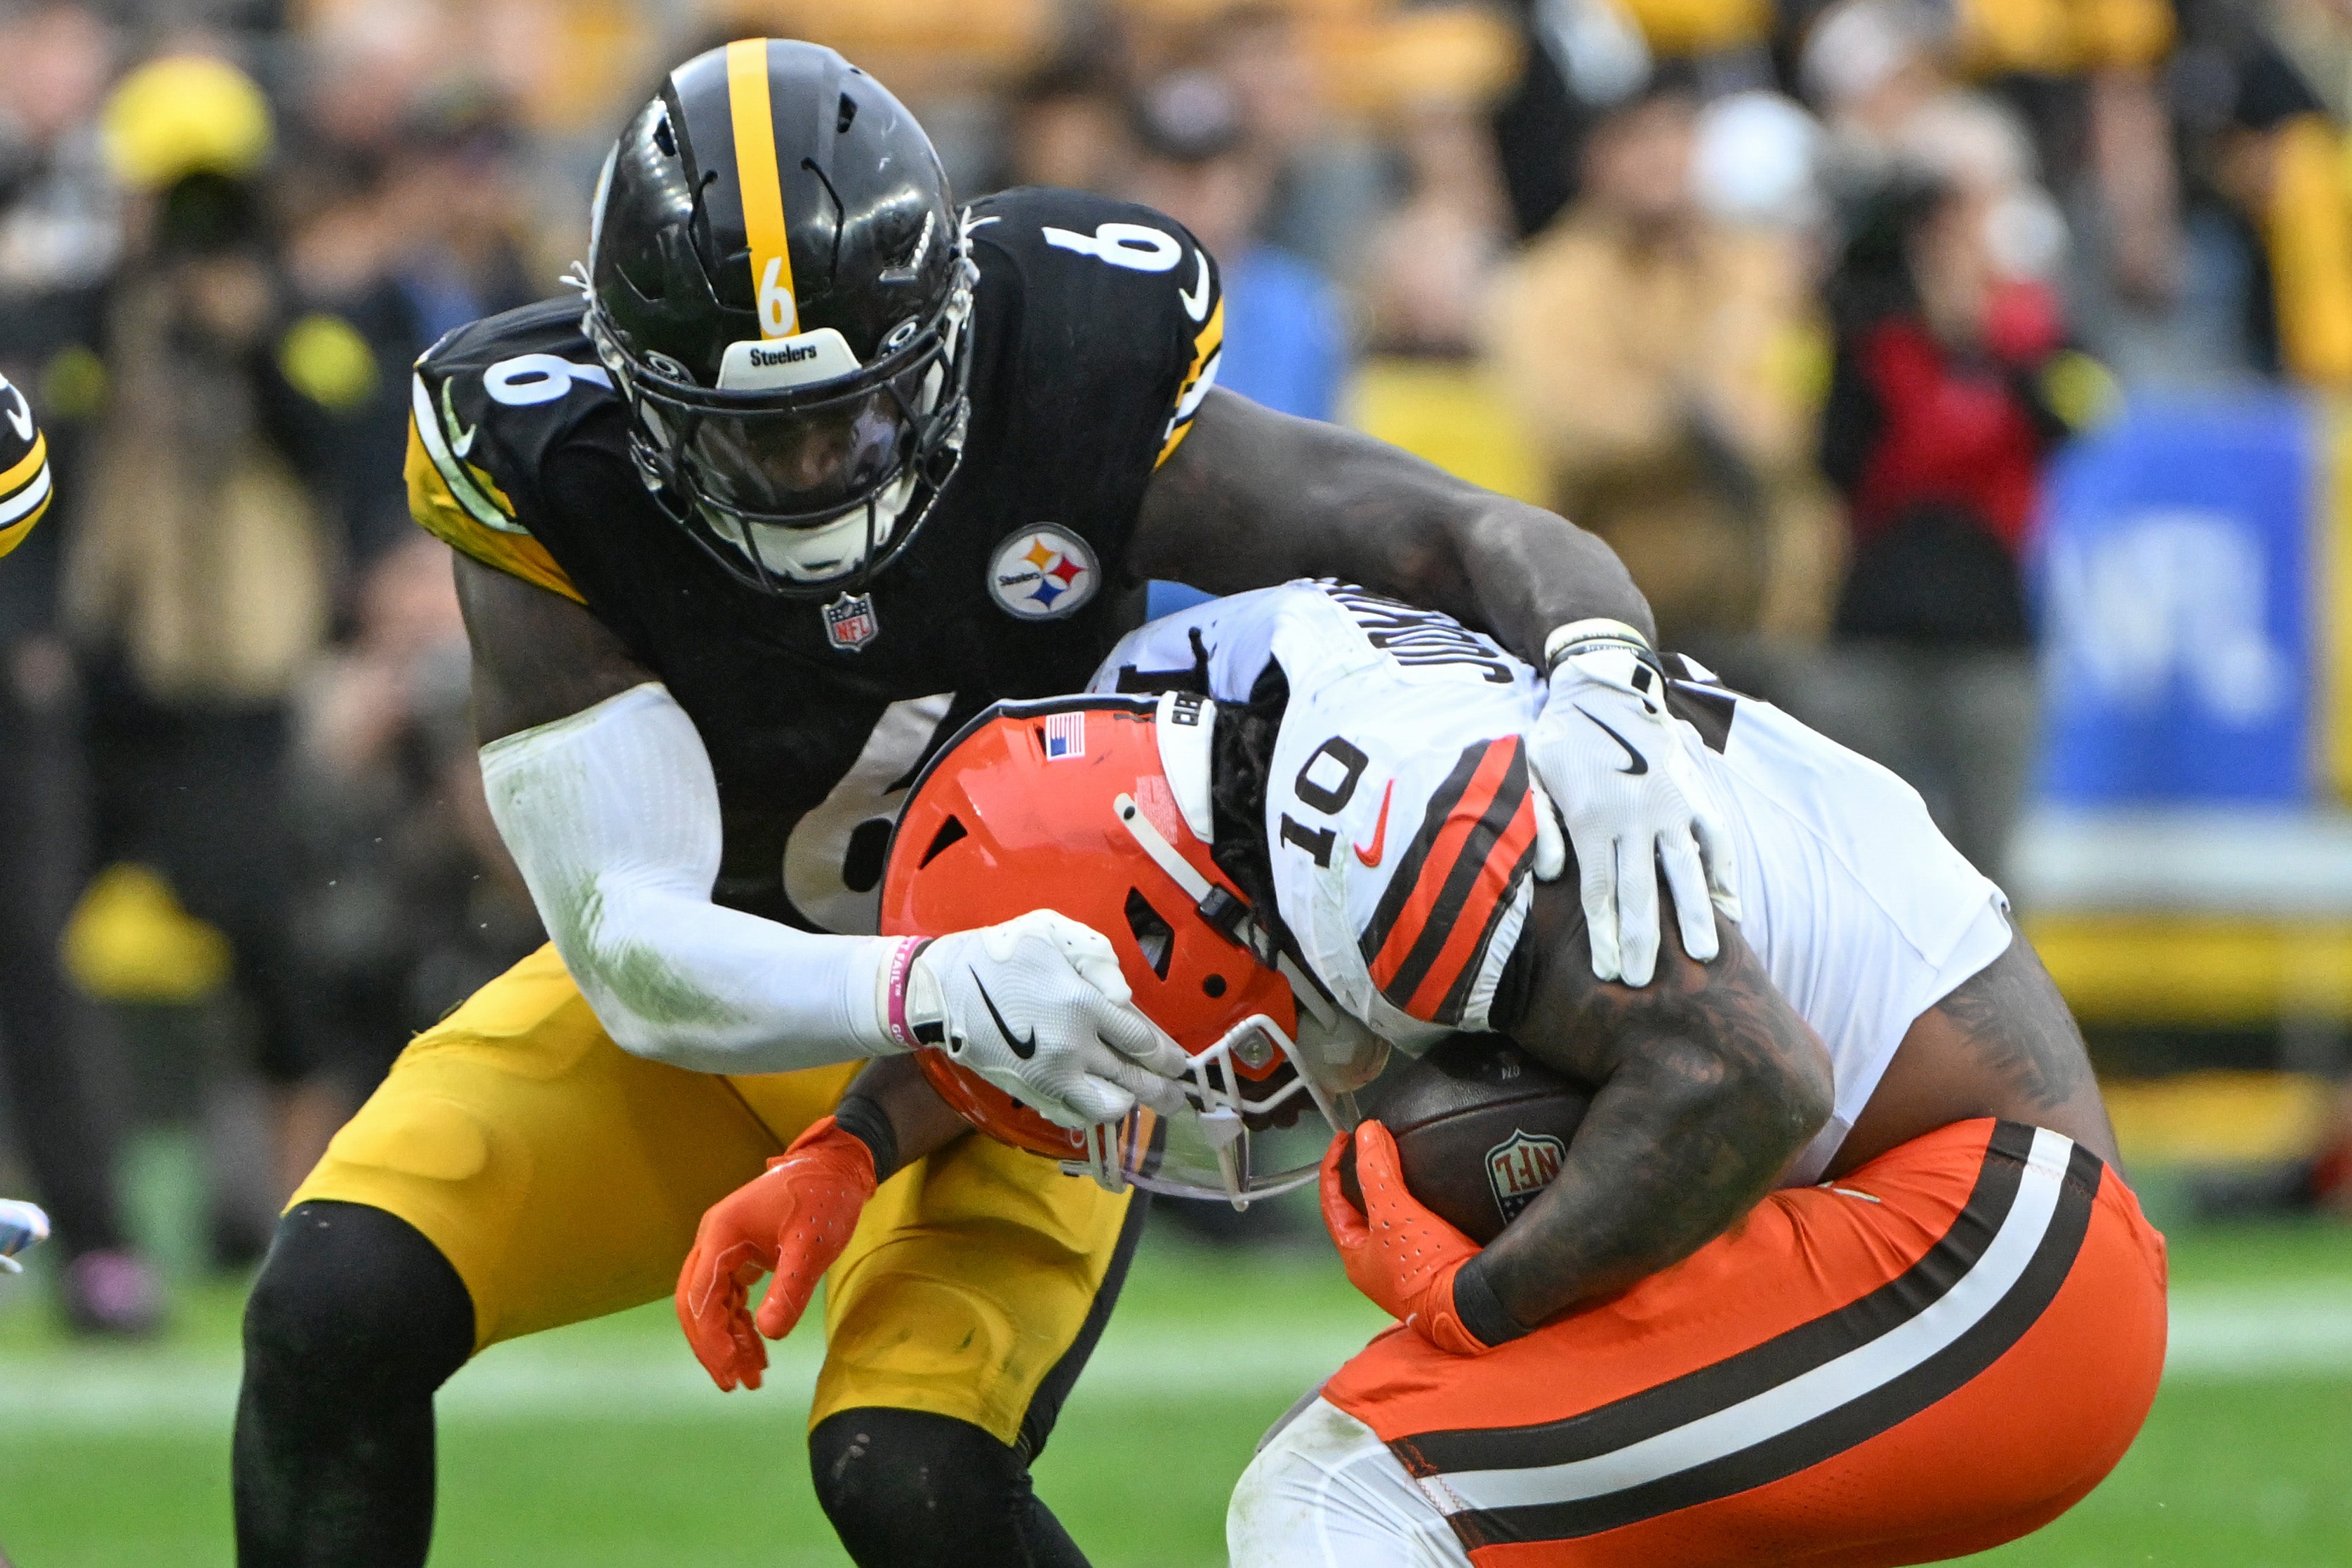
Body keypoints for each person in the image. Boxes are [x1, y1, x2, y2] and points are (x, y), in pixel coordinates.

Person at [234, 39, 1737, 1568]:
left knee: (910, 1478)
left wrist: (1605, 673)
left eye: (851, 414)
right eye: (747, 432)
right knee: (332, 1302)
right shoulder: (541, 454)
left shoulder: (1069, 357)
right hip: (753, 986)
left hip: (1056, 1022)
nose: (810, 469)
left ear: (948, 337)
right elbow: (633, 952)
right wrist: (930, 985)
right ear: (633, 388)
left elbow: (1444, 531)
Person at [684, 579, 2161, 1568]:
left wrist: (1477, 1296)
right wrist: (853, 1143)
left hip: (1987, 1254)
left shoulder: (1387, 844)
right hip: (1906, 1222)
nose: (1178, 1101)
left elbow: (1747, 1077)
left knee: (1342, 1494)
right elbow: (1084, 954)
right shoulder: (1223, 739)